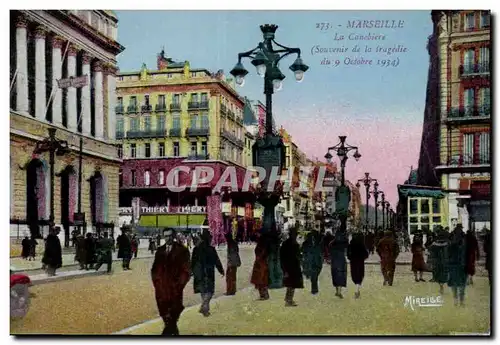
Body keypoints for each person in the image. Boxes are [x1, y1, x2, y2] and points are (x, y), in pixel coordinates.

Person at [151, 228, 191, 335]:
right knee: (164, 314)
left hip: (175, 289)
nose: (167, 238)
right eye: (166, 236)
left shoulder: (182, 250)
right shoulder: (160, 250)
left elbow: (186, 271)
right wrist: (157, 282)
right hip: (161, 289)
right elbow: (154, 269)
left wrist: (179, 285)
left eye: (169, 236)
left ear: (173, 237)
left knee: (174, 313)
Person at [191, 230, 224, 317]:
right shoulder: (211, 249)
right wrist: (221, 270)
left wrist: (191, 271)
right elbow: (217, 261)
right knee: (210, 291)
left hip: (199, 273)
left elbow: (192, 262)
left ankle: (205, 309)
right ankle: (204, 307)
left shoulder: (196, 249)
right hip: (209, 273)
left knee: (203, 291)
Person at [280, 227, 303, 306]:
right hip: (291, 266)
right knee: (291, 284)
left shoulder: (288, 243)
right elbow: (283, 256)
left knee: (291, 284)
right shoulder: (291, 244)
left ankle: (288, 299)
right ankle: (288, 300)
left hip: (291, 266)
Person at [448, 225, 467, 306]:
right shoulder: (463, 243)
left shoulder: (452, 244)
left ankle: (457, 299)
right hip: (459, 265)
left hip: (455, 265)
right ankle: (460, 300)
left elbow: (448, 256)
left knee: (455, 283)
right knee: (461, 283)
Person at [347, 232, 369, 298]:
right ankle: (357, 290)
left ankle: (357, 289)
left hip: (353, 262)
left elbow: (348, 255)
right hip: (360, 262)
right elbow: (366, 254)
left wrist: (351, 258)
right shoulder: (362, 245)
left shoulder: (350, 245)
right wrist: (362, 258)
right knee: (360, 276)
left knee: (355, 276)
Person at [302, 230, 323, 295]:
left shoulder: (318, 244)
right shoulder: (307, 243)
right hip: (311, 262)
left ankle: (314, 288)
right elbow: (303, 251)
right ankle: (314, 289)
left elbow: (320, 252)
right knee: (314, 276)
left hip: (315, 261)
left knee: (314, 276)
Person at [251, 232, 270, 300]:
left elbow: (261, 254)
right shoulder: (263, 245)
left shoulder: (262, 246)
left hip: (261, 264)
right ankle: (264, 294)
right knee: (262, 280)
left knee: (261, 280)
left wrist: (259, 259)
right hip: (261, 263)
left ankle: (264, 295)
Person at [329, 230, 348, 298]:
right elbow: (347, 247)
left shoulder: (332, 243)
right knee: (341, 276)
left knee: (335, 275)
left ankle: (337, 291)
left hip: (334, 261)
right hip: (341, 261)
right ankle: (339, 292)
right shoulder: (343, 243)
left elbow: (330, 251)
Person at [430, 229, 449, 294]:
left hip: (437, 261)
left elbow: (431, 252)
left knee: (437, 273)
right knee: (443, 274)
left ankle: (441, 287)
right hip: (444, 261)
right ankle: (442, 286)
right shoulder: (447, 244)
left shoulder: (434, 244)